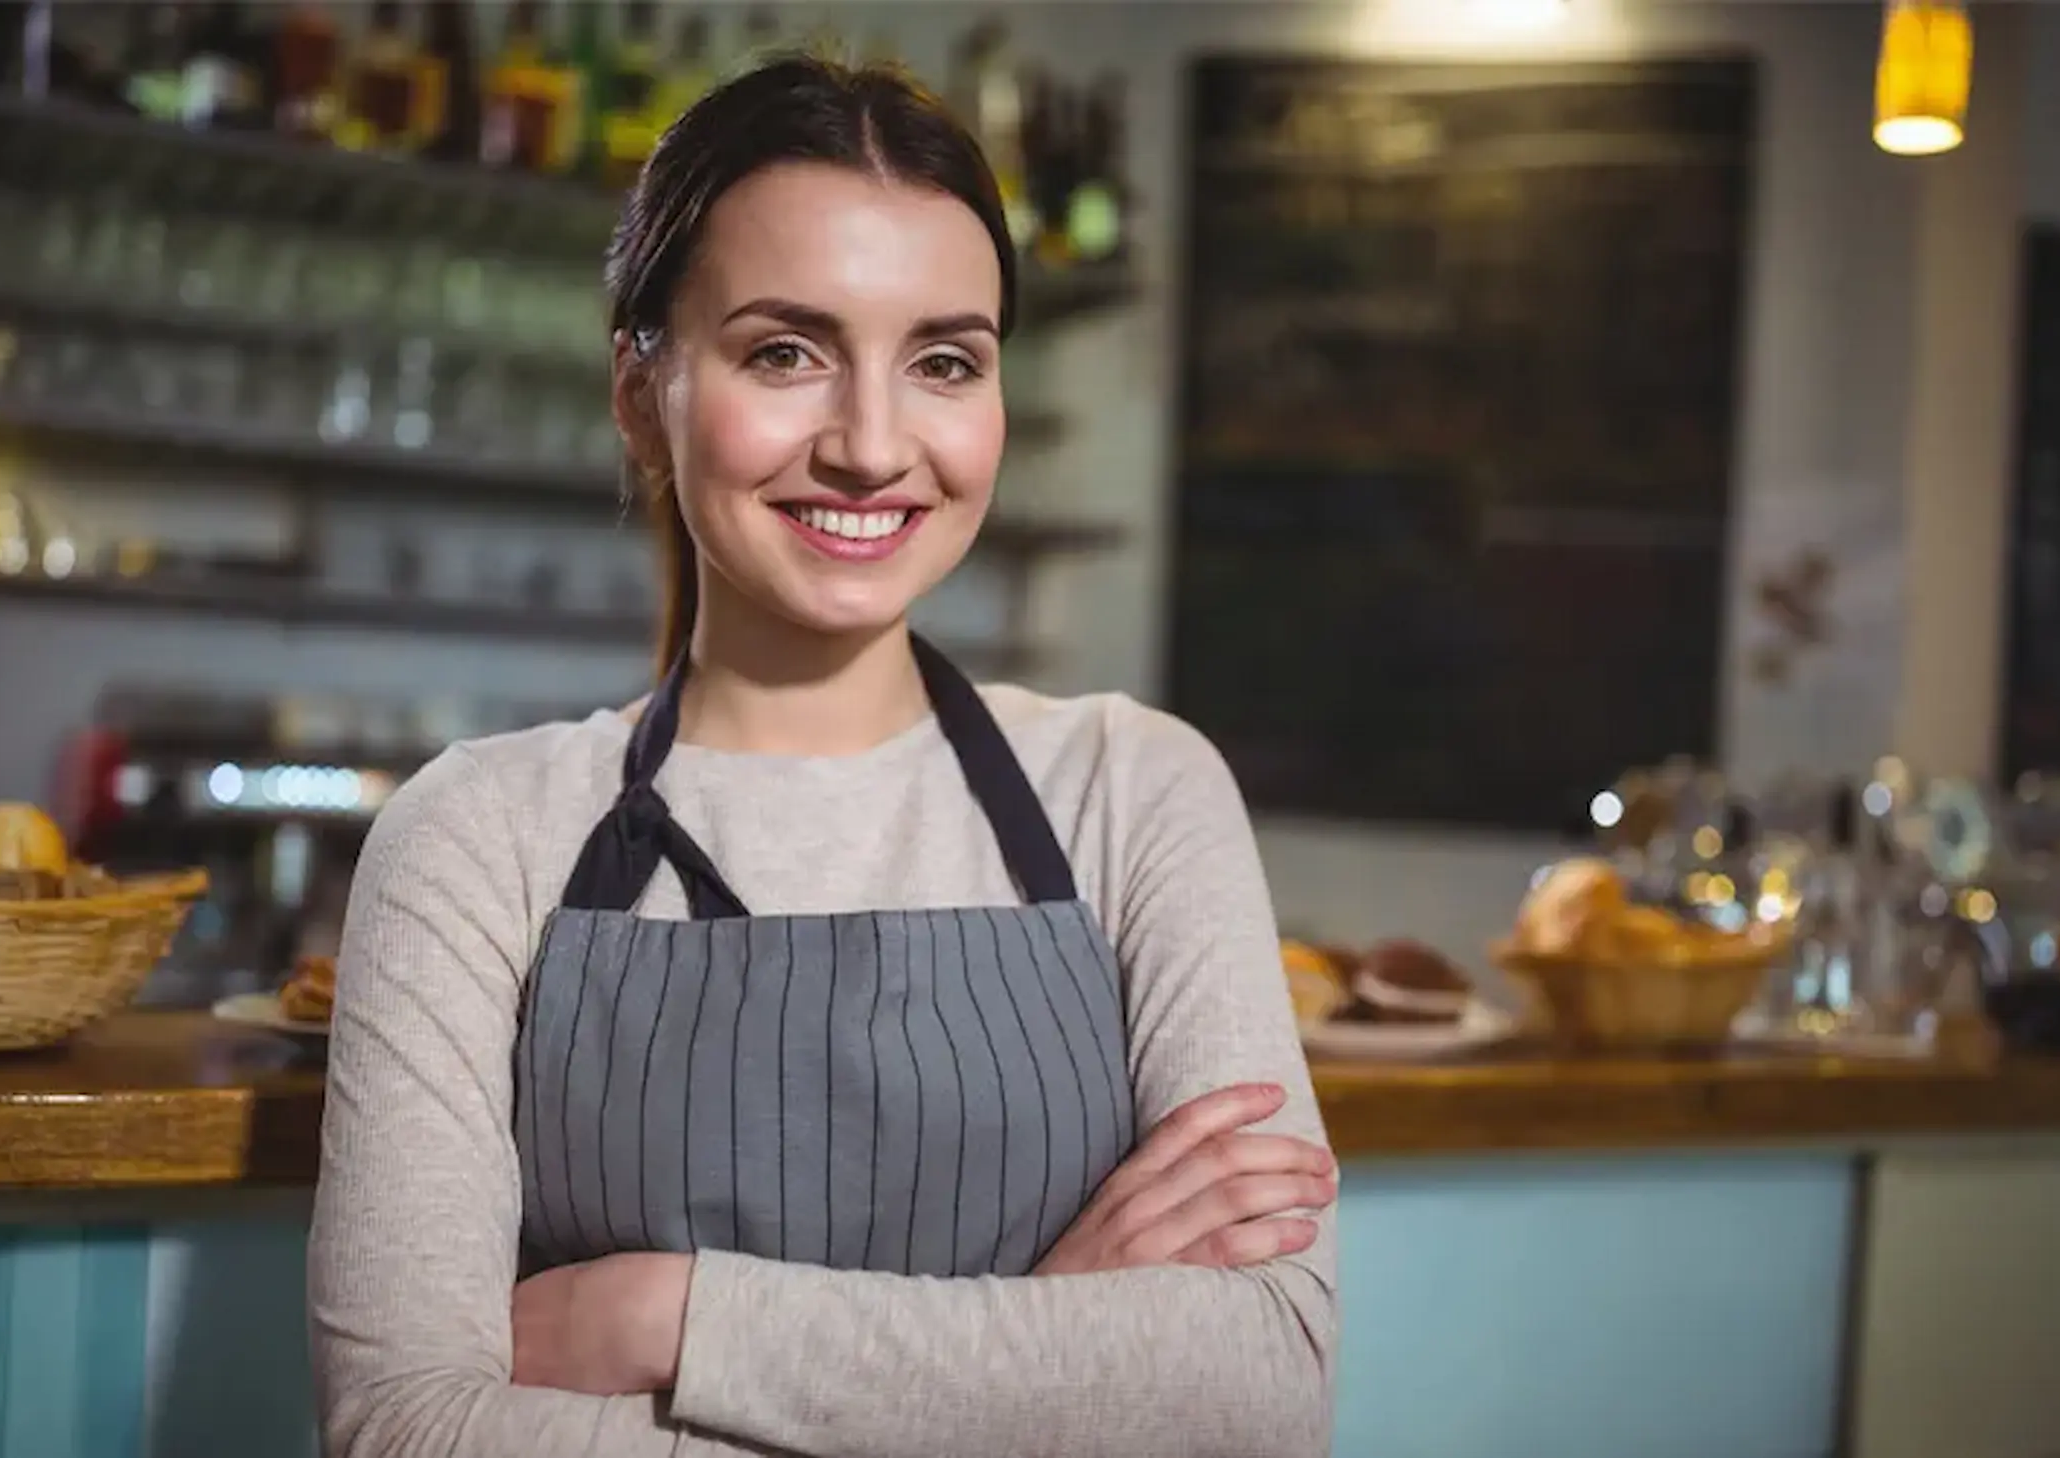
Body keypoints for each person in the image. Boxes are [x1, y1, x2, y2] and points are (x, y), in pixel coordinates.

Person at [307, 54, 1338, 1458]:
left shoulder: (1135, 791)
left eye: (944, 361)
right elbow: (408, 1435)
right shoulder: (477, 837)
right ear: (640, 392)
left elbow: (1262, 1392)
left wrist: (676, 1320)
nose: (869, 444)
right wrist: (1052, 1347)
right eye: (784, 351)